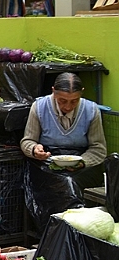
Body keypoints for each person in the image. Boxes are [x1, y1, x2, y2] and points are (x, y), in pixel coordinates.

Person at [21, 72, 107, 230]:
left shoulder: (91, 110)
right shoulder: (39, 107)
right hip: (47, 162)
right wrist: (35, 149)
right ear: (53, 91)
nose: (67, 106)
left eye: (74, 101)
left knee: (71, 181)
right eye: (62, 101)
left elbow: (98, 149)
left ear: (82, 93)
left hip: (81, 163)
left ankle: (76, 231)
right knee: (63, 182)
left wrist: (82, 162)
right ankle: (57, 231)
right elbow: (27, 141)